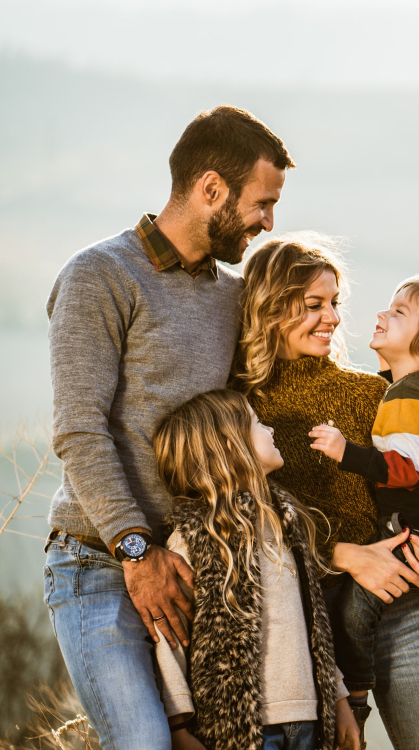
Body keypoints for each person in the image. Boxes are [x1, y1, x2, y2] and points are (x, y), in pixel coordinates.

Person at [43, 105, 293, 749]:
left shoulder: (232, 298)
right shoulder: (99, 275)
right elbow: (78, 429)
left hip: (194, 565)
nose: (269, 222)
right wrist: (135, 551)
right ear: (211, 189)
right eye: (262, 203)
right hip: (100, 565)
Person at [231, 235, 419, 749]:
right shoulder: (240, 412)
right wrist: (346, 556)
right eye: (314, 305)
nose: (334, 318)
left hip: (412, 614)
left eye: (334, 303)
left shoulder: (375, 394)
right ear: (270, 308)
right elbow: (244, 526)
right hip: (319, 630)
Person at [309, 274, 419, 716]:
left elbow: (403, 472)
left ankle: (356, 697)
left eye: (398, 311)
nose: (381, 314)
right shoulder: (417, 393)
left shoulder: (406, 396)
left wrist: (343, 451)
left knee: (354, 613)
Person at [151, 389, 360, 750]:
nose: (271, 429)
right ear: (231, 447)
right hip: (243, 730)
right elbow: (169, 637)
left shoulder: (286, 522)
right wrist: (177, 724)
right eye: (257, 423)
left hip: (310, 720)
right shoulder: (196, 538)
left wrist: (339, 697)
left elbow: (315, 625)